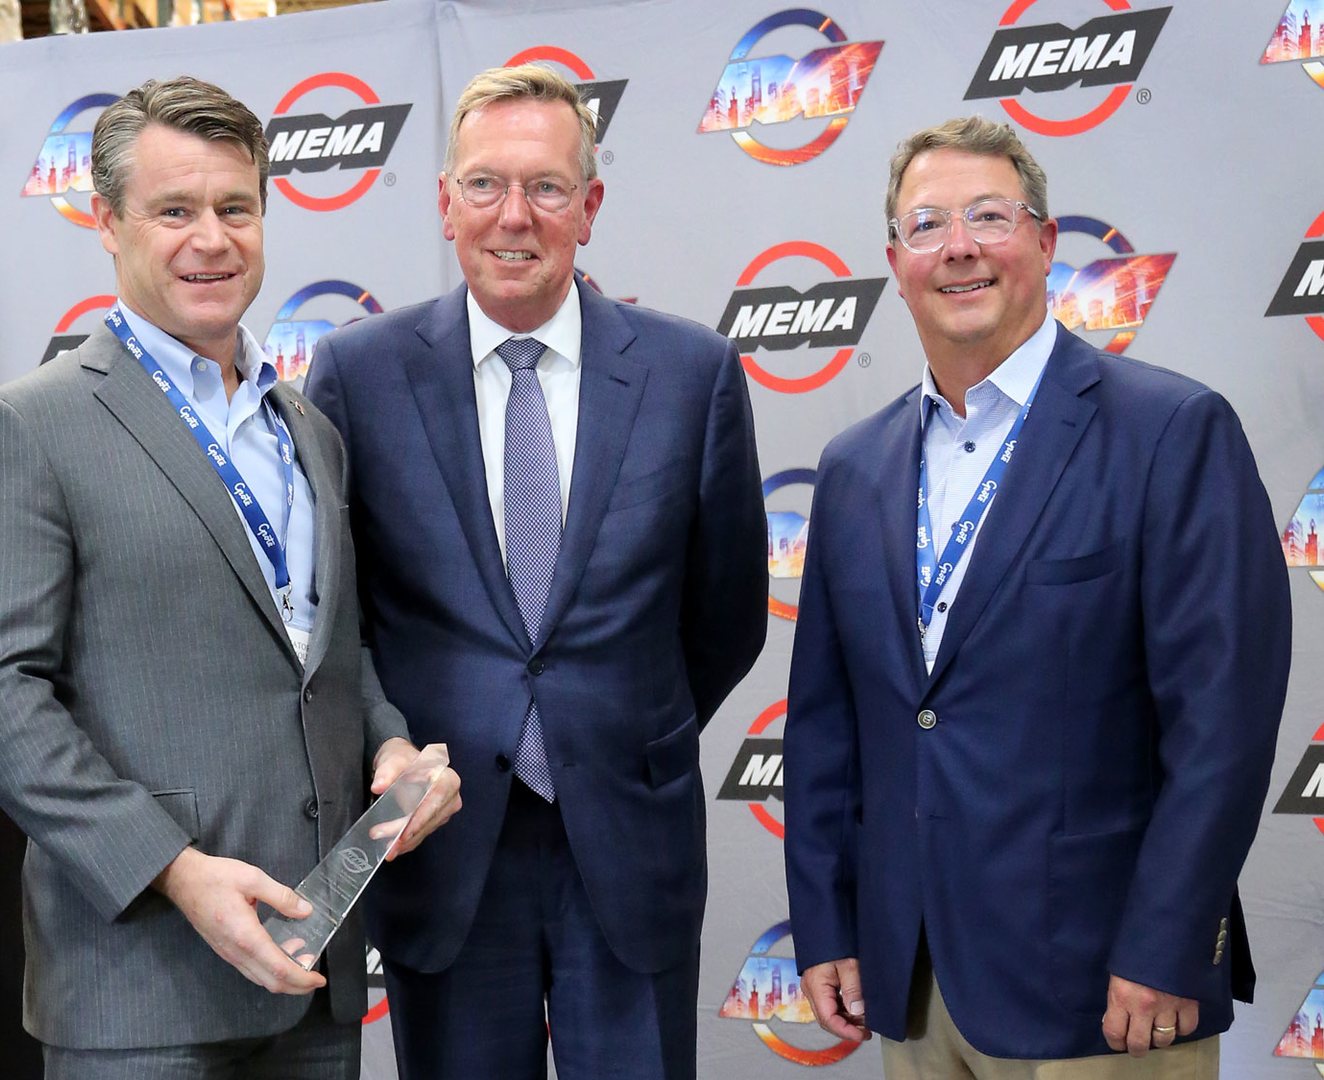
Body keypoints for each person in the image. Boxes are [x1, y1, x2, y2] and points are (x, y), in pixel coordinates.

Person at [0, 76, 460, 1080]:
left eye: (235, 207)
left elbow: (329, 652)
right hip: (140, 986)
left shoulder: (309, 431)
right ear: (107, 223)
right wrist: (171, 869)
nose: (211, 240)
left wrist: (390, 748)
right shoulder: (28, 426)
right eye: (174, 211)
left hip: (312, 968)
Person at [783, 116, 1290, 1079]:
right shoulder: (854, 469)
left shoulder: (1171, 432)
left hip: (1107, 992)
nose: (959, 246)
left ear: (1047, 242)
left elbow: (1221, 726)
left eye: (990, 216)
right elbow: (825, 728)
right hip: (915, 982)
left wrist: (1168, 942)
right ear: (895, 264)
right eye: (927, 224)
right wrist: (828, 920)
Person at [304, 65, 767, 1079]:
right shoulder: (357, 374)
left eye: (547, 187)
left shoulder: (692, 375)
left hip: (630, 839)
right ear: (445, 202)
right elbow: (340, 618)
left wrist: (619, 726)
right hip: (442, 844)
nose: (514, 216)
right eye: (485, 184)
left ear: (589, 206)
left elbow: (726, 615)